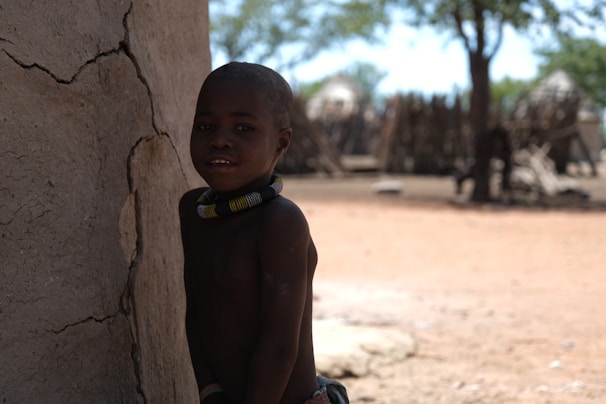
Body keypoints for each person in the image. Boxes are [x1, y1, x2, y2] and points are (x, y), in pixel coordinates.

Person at [179, 62, 348, 404]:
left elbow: (280, 345)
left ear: (281, 143)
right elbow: (196, 311)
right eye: (206, 126)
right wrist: (210, 392)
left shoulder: (280, 222)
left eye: (243, 128)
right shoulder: (194, 210)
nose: (220, 140)